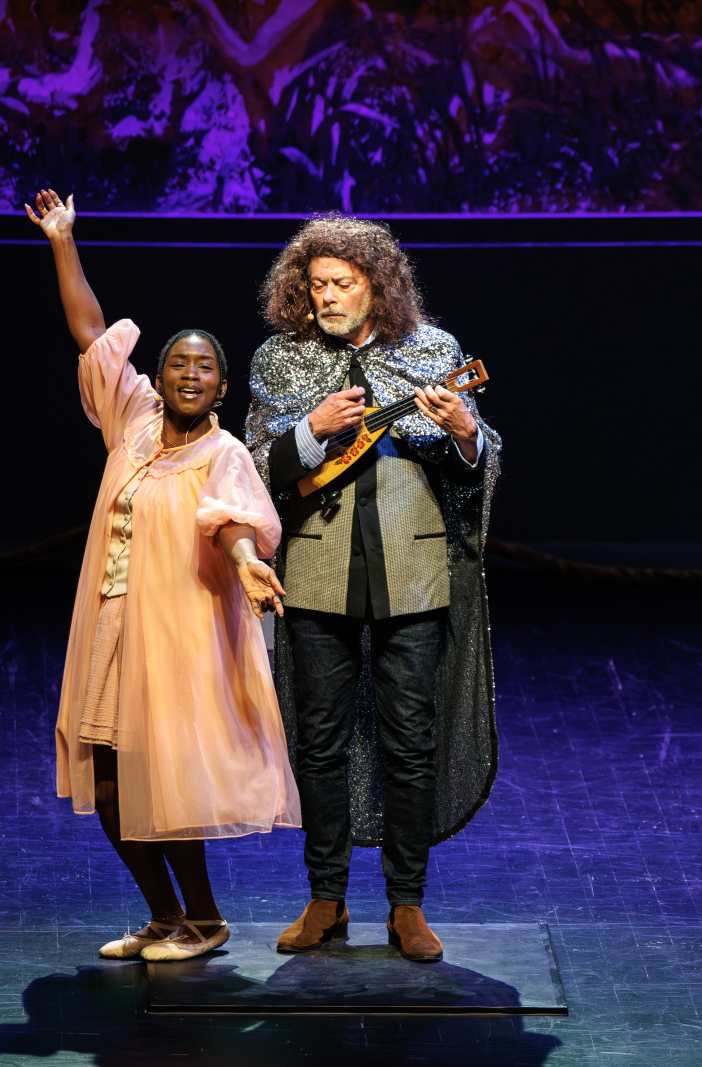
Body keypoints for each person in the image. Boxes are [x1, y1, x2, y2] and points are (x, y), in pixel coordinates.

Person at [26, 189, 300, 961]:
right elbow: (90, 333)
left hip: (174, 639)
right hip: (110, 627)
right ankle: (164, 914)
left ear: (221, 388)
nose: (188, 373)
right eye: (178, 362)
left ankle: (204, 920)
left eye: (203, 367)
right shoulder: (134, 423)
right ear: (160, 375)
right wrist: (63, 242)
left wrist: (247, 565)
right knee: (112, 783)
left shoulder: (224, 453)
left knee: (164, 780)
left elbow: (233, 522)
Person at [243, 215, 501, 962]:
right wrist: (310, 429)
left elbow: (475, 459)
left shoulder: (432, 351)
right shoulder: (282, 359)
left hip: (412, 570)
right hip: (316, 570)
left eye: (342, 284)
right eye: (316, 284)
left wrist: (463, 433)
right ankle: (325, 898)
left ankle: (406, 904)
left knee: (410, 743)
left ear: (377, 286)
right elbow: (254, 464)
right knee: (319, 741)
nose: (326, 296)